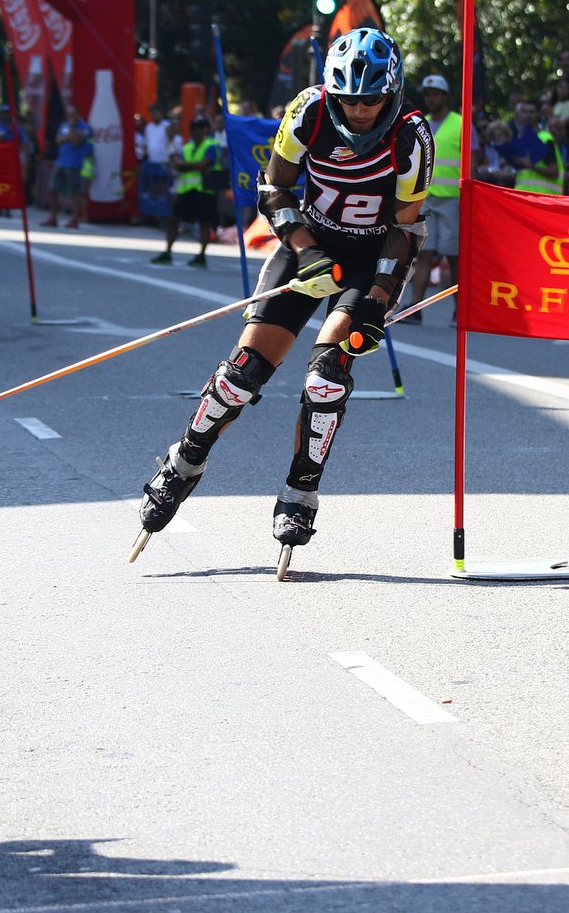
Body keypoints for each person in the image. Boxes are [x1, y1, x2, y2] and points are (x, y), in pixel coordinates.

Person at [136, 28, 432, 557]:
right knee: (240, 377)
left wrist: (377, 300)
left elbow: (405, 227)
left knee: (327, 379)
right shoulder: (308, 111)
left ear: (392, 92)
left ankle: (300, 492)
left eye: (371, 99)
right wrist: (306, 249)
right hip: (308, 246)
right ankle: (184, 462)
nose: (359, 110)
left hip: (370, 261)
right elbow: (273, 188)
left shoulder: (412, 135)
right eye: (348, 98)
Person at [408, 74, 460, 322]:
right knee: (424, 253)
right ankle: (415, 308)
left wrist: (469, 197)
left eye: (435, 94)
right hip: (427, 198)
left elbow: (472, 161)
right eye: (427, 94)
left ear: (445, 96)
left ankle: (460, 311)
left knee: (454, 256)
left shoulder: (460, 124)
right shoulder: (423, 123)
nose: (431, 99)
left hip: (453, 201)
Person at [152, 114, 222, 267]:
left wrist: (186, 166)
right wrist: (192, 166)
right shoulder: (186, 147)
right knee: (174, 220)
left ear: (205, 130)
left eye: (199, 128)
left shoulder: (211, 145)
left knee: (204, 223)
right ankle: (167, 252)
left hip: (204, 190)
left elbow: (203, 164)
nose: (196, 131)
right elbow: (179, 166)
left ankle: (201, 255)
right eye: (193, 129)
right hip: (186, 189)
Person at [47, 104, 90, 227]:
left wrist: (71, 130)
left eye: (72, 114)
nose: (70, 117)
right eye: (68, 114)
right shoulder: (63, 125)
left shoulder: (85, 127)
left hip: (75, 164)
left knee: (74, 192)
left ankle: (74, 219)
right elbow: (58, 140)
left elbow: (76, 141)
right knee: (52, 190)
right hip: (61, 162)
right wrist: (69, 137)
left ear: (77, 114)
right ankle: (53, 217)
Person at [139, 103, 175, 220]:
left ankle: (162, 213)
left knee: (164, 188)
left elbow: (172, 140)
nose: (154, 114)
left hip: (163, 163)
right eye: (152, 112)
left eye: (156, 112)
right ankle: (152, 213)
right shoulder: (148, 127)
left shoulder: (167, 126)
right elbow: (145, 144)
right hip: (151, 163)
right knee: (153, 187)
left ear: (161, 113)